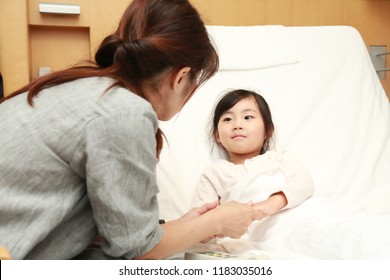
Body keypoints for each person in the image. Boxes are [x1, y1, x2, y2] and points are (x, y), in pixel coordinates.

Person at [0, 0, 263, 260]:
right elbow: (138, 251)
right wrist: (217, 221)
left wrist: (181, 228)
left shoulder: (86, 86)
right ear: (181, 77)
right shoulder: (125, 111)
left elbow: (119, 232)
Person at [192, 89, 315, 222]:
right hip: (250, 236)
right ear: (217, 135)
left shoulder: (281, 157)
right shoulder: (214, 173)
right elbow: (201, 224)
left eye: (248, 117)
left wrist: (270, 204)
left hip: (300, 218)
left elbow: (305, 183)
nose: (237, 125)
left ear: (268, 131)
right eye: (228, 119)